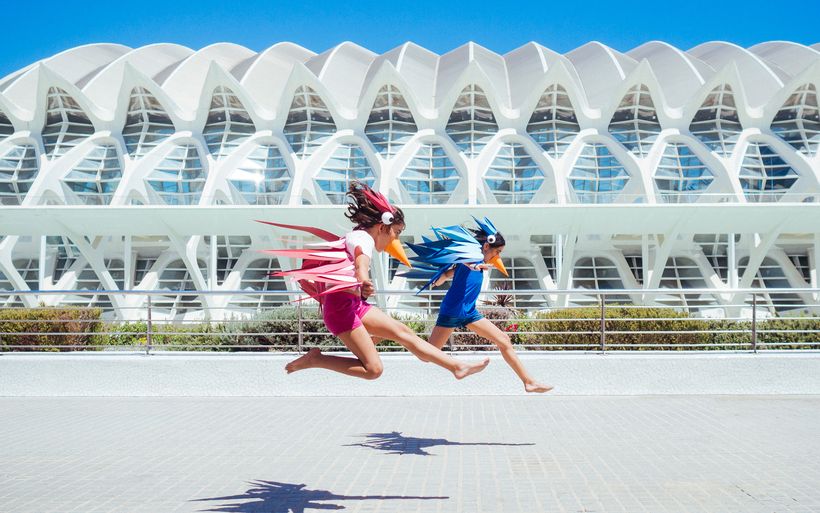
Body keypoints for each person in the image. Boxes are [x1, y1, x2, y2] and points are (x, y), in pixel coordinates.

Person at [261, 182, 489, 381]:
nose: (396, 239)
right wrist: (364, 279)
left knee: (404, 333)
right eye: (396, 232)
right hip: (341, 311)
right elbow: (361, 262)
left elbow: (355, 264)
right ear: (382, 226)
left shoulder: (358, 236)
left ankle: (456, 367)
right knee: (373, 370)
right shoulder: (362, 238)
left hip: (353, 306)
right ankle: (316, 360)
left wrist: (361, 285)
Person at [405, 218, 553, 393]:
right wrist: (476, 265)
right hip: (454, 310)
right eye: (497, 251)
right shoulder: (473, 256)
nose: (497, 256)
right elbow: (470, 263)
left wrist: (445, 276)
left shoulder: (470, 258)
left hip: (469, 312)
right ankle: (399, 334)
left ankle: (529, 382)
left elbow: (457, 269)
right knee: (426, 355)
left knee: (503, 340)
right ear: (486, 247)